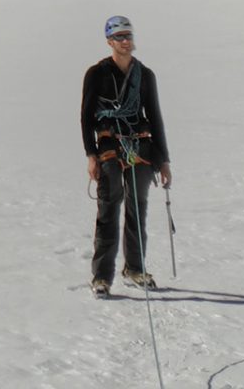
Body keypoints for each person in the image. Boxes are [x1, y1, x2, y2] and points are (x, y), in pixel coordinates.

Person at [81, 15, 171, 298]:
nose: (125, 41)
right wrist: (90, 155)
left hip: (141, 147)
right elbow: (85, 117)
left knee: (137, 207)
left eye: (128, 36)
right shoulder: (96, 74)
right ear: (109, 41)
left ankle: (134, 268)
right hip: (108, 145)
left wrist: (164, 159)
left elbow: (154, 116)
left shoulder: (145, 75)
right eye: (119, 37)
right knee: (109, 206)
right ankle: (101, 276)